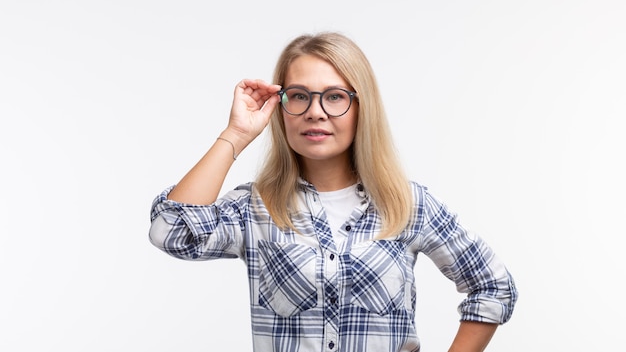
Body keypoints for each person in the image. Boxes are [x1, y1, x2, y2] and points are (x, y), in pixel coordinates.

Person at [148, 32, 518, 352]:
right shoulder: (255, 208)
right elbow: (171, 231)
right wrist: (237, 134)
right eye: (299, 96)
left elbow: (493, 286)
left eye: (335, 97)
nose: (316, 112)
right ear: (282, 108)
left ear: (361, 107)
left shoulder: (408, 204)